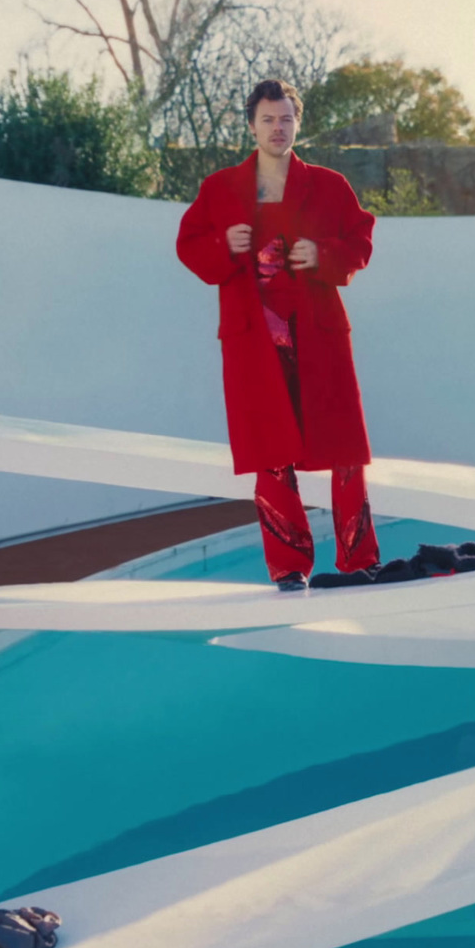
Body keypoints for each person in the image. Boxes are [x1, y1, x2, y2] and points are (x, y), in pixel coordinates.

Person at [177, 79, 381, 590]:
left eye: (286, 118)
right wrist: (224, 243)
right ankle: (289, 568)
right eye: (268, 119)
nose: (278, 128)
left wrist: (324, 255)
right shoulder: (220, 189)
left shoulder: (330, 185)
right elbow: (188, 247)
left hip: (318, 332)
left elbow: (360, 239)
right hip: (253, 338)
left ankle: (360, 559)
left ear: (298, 122)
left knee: (345, 450)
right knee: (270, 452)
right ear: (251, 125)